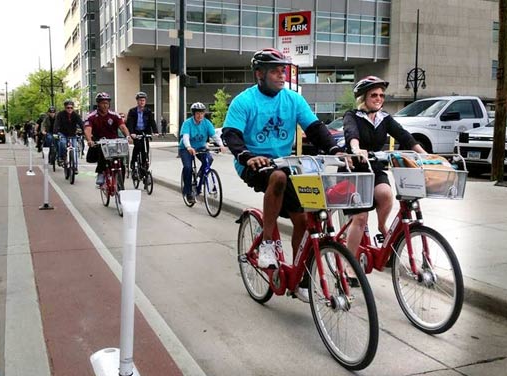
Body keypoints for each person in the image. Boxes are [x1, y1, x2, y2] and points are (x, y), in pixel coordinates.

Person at [222, 48, 340, 302]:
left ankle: (300, 276)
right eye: (275, 71)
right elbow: (231, 134)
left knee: (304, 219)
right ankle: (266, 243)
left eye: (283, 71)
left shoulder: (293, 99)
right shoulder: (244, 101)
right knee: (277, 178)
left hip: (286, 164)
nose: (281, 76)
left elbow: (315, 128)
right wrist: (246, 156)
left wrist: (335, 149)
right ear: (259, 74)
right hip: (253, 165)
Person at [342, 76, 426, 256]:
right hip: (354, 170)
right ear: (363, 98)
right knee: (361, 217)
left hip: (374, 167)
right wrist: (356, 149)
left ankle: (381, 225)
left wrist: (424, 154)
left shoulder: (384, 118)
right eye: (374, 95)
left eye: (381, 95)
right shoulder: (352, 116)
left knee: (386, 195)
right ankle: (350, 264)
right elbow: (351, 134)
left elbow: (404, 136)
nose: (379, 98)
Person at [179, 102, 227, 204]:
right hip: (186, 148)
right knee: (188, 167)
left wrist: (221, 145)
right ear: (194, 114)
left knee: (209, 159)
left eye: (202, 113)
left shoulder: (206, 123)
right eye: (197, 113)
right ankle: (188, 193)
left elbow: (214, 136)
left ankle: (201, 175)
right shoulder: (187, 123)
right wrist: (188, 147)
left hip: (201, 147)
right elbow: (185, 137)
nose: (200, 115)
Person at [84, 92, 131, 186]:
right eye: (102, 103)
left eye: (107, 103)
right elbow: (87, 129)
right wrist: (89, 140)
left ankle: (120, 181)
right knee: (102, 155)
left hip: (113, 141)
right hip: (99, 141)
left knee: (120, 161)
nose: (105, 105)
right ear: (98, 104)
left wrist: (128, 136)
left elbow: (122, 126)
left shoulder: (114, 115)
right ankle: (100, 173)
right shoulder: (91, 116)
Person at [126, 91, 157, 177]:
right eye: (140, 100)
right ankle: (133, 162)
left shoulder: (148, 111)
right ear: (137, 101)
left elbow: (152, 121)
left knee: (145, 150)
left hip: (145, 132)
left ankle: (144, 168)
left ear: (145, 101)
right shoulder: (132, 111)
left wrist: (155, 131)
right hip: (136, 132)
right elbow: (130, 123)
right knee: (138, 146)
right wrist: (131, 133)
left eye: (143, 100)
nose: (142, 102)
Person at [54, 99, 83, 167]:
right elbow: (56, 124)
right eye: (68, 107)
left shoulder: (76, 115)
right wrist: (55, 133)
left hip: (73, 134)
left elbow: (81, 124)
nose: (70, 109)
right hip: (63, 133)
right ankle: (61, 157)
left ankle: (75, 167)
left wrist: (84, 132)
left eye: (71, 108)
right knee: (62, 143)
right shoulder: (60, 114)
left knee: (75, 149)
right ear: (65, 107)